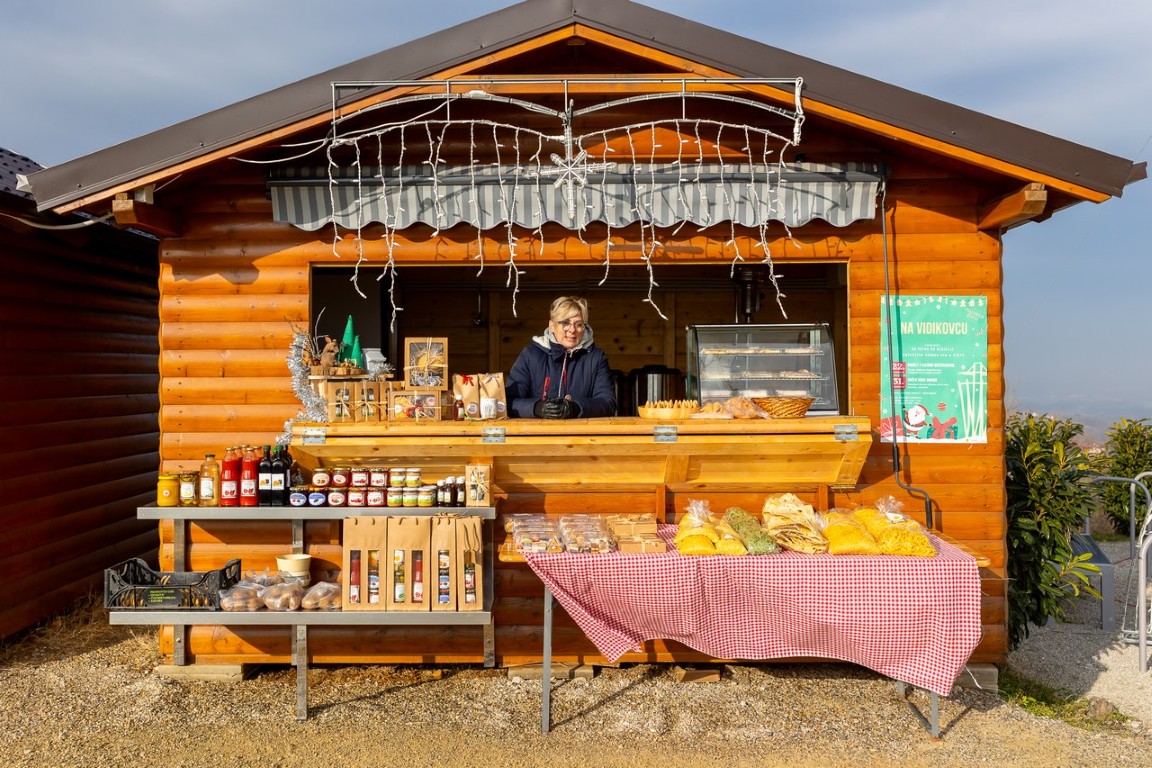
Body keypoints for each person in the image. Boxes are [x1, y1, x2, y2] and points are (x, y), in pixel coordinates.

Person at [506, 296, 617, 418]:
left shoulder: (596, 358)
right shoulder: (530, 356)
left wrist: (574, 408)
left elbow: (608, 403)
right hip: (538, 429)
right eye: (565, 323)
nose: (572, 330)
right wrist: (538, 408)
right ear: (552, 326)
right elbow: (508, 402)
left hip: (581, 430)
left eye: (579, 324)